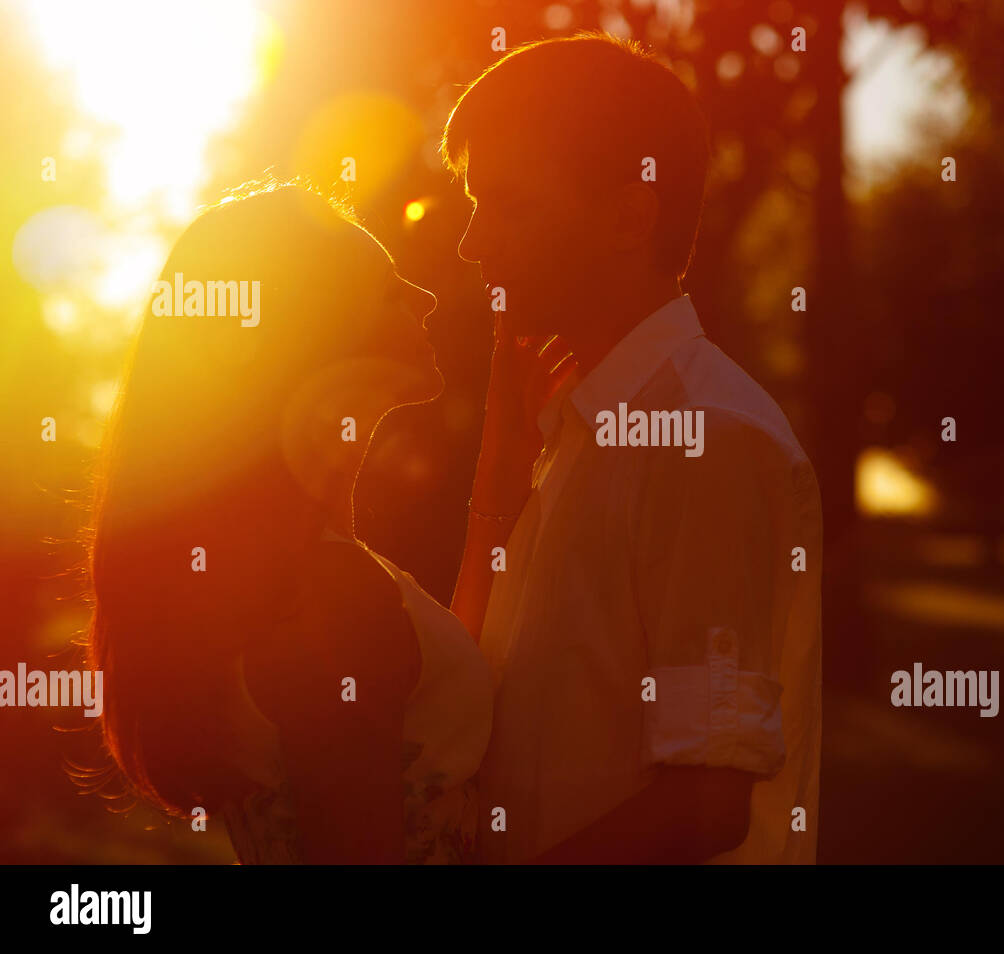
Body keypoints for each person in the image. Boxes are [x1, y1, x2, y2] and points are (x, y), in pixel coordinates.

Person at [445, 33, 824, 864]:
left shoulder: (709, 440)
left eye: (508, 204)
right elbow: (458, 719)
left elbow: (705, 802)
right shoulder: (571, 431)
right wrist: (496, 478)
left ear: (629, 215)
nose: (472, 245)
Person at [84, 179, 519, 863]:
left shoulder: (306, 572)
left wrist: (499, 472)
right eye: (388, 286)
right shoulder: (332, 595)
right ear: (318, 329)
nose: (427, 297)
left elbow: (427, 684)